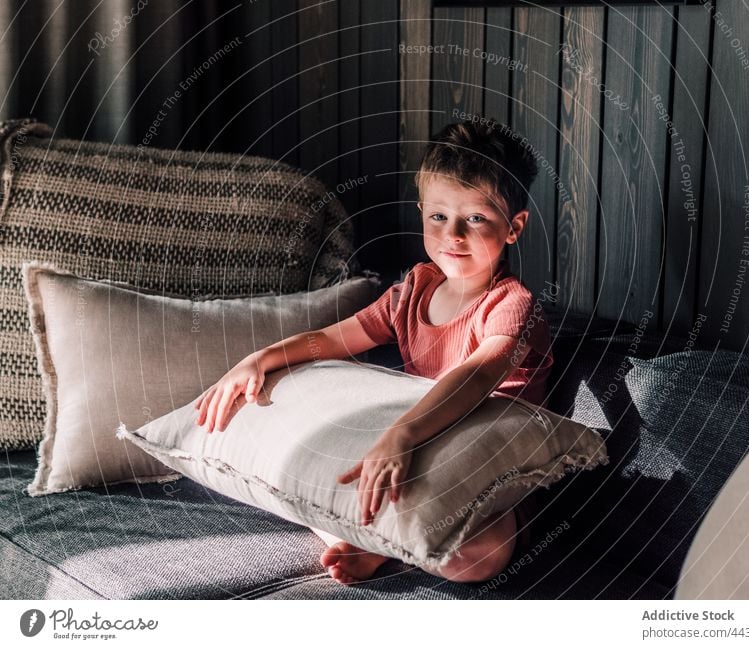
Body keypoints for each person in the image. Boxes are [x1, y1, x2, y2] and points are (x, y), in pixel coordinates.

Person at [194, 117, 554, 585]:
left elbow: (479, 375)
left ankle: (382, 544)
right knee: (304, 478)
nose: (453, 235)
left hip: (482, 481)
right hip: (410, 456)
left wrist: (403, 433)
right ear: (422, 211)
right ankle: (379, 538)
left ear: (514, 227)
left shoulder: (512, 306)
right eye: (440, 217)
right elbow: (330, 340)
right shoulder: (413, 291)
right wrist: (258, 361)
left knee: (477, 558)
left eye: (477, 219)